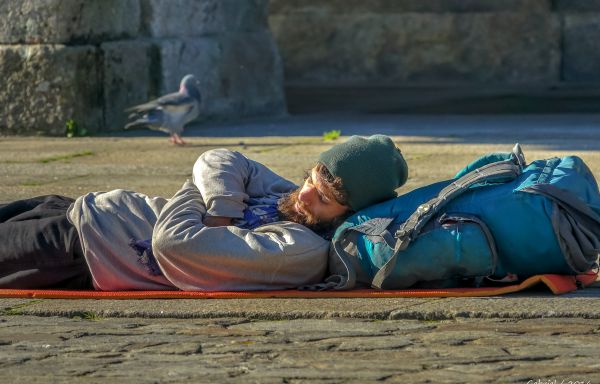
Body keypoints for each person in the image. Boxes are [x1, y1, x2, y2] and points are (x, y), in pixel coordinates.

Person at [0, 135, 408, 291]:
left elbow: (173, 243)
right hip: (72, 207)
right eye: (310, 179)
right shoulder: (287, 196)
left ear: (347, 212)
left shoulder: (298, 249)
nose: (303, 195)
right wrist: (223, 208)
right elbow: (222, 157)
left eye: (322, 198)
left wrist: (199, 192)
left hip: (77, 251)